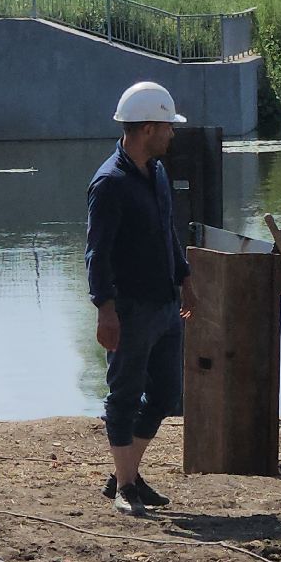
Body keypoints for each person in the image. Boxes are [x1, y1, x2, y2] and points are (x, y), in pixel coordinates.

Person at [86, 81, 198, 515]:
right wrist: (105, 310)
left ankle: (124, 476)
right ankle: (126, 488)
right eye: (168, 127)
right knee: (125, 393)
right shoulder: (109, 184)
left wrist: (184, 277)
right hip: (130, 309)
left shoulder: (157, 173)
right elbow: (97, 251)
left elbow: (166, 230)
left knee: (167, 393)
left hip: (165, 306)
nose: (173, 134)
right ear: (149, 128)